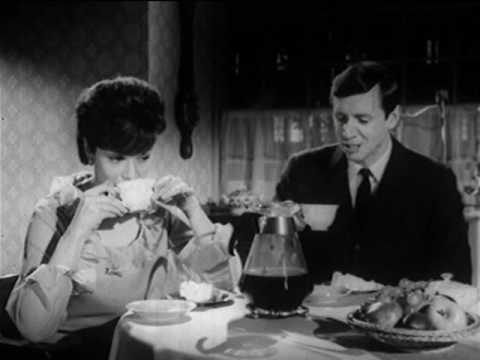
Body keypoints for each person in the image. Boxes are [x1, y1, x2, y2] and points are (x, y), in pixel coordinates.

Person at [5, 76, 241, 357]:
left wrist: (192, 207)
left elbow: (223, 286)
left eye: (142, 157)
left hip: (150, 351)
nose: (132, 175)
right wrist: (78, 231)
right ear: (90, 151)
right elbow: (33, 329)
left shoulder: (158, 214)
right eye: (116, 159)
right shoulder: (54, 212)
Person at [276, 61, 472, 286]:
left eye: (362, 120)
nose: (347, 132)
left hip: (399, 320)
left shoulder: (436, 182)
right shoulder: (301, 170)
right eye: (341, 118)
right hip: (315, 319)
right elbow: (270, 258)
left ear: (393, 118)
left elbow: (456, 277)